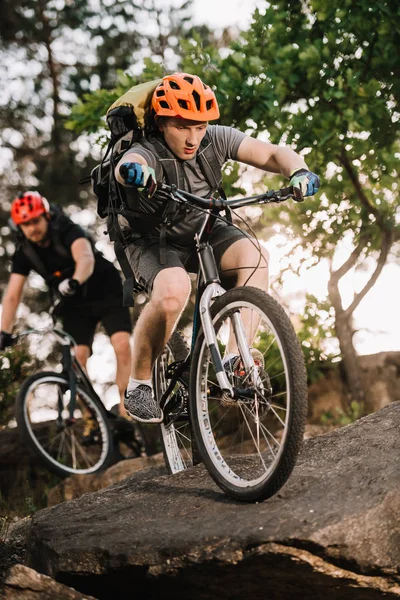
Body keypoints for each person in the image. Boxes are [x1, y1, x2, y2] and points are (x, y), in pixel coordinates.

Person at [114, 72, 320, 424]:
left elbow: (270, 153)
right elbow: (126, 166)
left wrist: (298, 170)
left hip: (203, 226)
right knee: (173, 291)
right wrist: (134, 173)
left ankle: (237, 358)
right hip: (152, 238)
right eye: (182, 127)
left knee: (255, 258)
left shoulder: (215, 139)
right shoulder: (146, 148)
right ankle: (140, 384)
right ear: (162, 122)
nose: (193, 136)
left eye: (200, 126)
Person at [0, 191, 132, 417]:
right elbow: (12, 295)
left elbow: (85, 258)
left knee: (121, 344)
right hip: (74, 304)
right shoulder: (24, 252)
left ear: (46, 216)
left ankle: (126, 408)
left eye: (35, 221)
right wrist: (4, 331)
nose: (32, 228)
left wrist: (75, 280)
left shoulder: (67, 229)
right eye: (26, 224)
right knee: (76, 361)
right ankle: (95, 420)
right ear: (19, 227)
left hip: (105, 289)